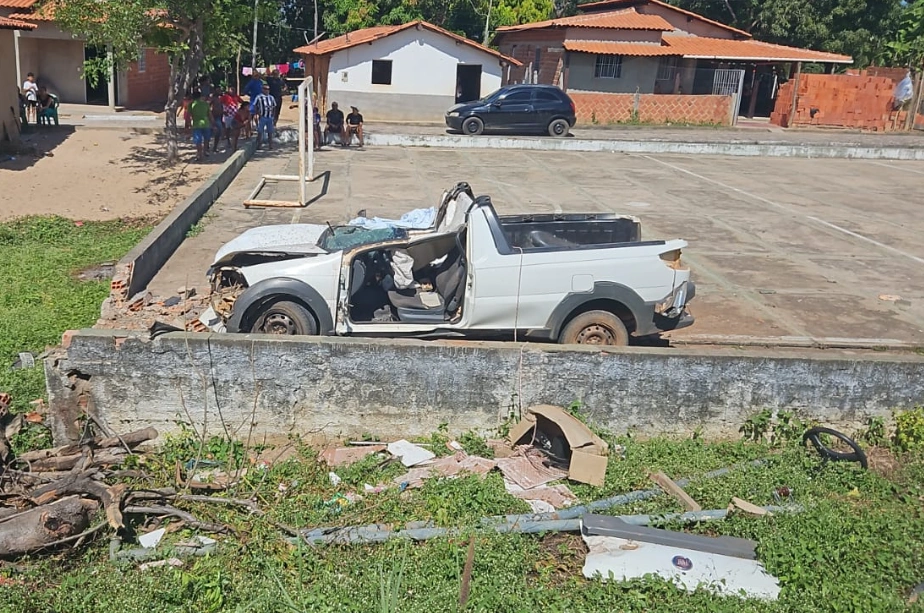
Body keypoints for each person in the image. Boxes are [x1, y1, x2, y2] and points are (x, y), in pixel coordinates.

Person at [189, 89, 211, 162]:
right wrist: (213, 124)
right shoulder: (205, 104)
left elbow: (188, 116)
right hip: (206, 123)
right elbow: (210, 115)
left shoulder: (191, 105)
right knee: (206, 139)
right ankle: (205, 151)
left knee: (198, 140)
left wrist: (188, 125)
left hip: (196, 124)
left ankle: (199, 154)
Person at [253, 83, 276, 150]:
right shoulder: (259, 97)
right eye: (265, 89)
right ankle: (259, 145)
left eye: (268, 89)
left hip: (269, 117)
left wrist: (273, 115)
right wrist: (257, 113)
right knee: (260, 131)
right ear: (262, 89)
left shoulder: (271, 97)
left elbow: (274, 106)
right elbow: (255, 106)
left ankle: (270, 145)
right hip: (262, 116)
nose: (267, 90)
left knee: (270, 132)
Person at [209, 88, 224, 152]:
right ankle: (207, 147)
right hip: (213, 116)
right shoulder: (213, 98)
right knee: (209, 132)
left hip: (219, 117)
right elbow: (208, 105)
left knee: (219, 132)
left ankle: (215, 147)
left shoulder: (220, 99)